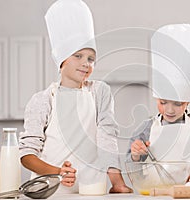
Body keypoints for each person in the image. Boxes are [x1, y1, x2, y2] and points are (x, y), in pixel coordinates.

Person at [19, 0, 132, 193]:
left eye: (91, 59)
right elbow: (27, 155)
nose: (86, 64)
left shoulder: (100, 92)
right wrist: (58, 172)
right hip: (51, 191)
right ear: (62, 60)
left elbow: (107, 140)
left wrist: (117, 183)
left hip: (92, 191)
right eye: (78, 56)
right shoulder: (43, 100)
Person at [127, 24, 190, 185]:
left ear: (188, 101)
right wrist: (136, 155)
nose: (169, 110)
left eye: (177, 104)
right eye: (163, 102)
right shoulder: (145, 130)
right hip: (154, 195)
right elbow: (133, 169)